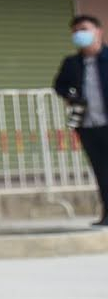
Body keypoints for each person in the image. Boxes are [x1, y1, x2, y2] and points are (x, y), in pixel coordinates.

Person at [53, 15, 108, 226]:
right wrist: (71, 94)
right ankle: (106, 214)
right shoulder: (72, 63)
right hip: (88, 125)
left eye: (84, 29)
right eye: (75, 32)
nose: (79, 35)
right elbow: (59, 85)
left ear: (98, 31)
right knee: (101, 171)